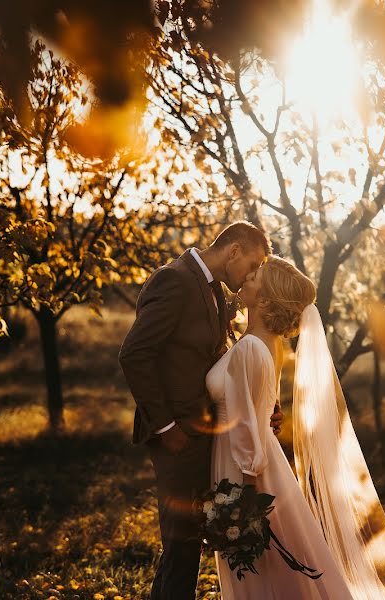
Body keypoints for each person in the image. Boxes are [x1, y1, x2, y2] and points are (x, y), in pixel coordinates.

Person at [207, 256, 385, 599]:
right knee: (276, 576)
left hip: (245, 474)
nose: (246, 277)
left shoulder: (250, 348)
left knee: (264, 577)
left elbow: (245, 428)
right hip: (253, 466)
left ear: (263, 300)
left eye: (255, 275)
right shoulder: (260, 346)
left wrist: (242, 506)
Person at [118, 221, 281, 600]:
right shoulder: (173, 280)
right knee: (182, 544)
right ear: (234, 251)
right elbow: (134, 354)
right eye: (252, 264)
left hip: (201, 435)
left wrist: (265, 404)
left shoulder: (215, 291)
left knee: (185, 545)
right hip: (176, 436)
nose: (251, 276)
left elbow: (219, 358)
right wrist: (166, 428)